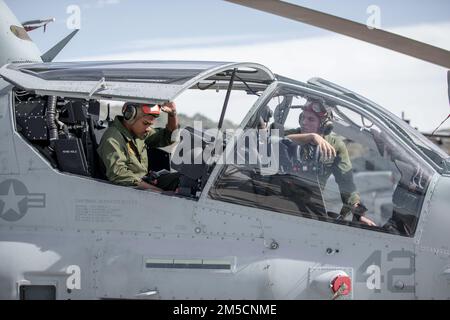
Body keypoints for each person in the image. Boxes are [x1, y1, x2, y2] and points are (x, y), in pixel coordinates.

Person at [284, 99, 376, 226]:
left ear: (324, 125)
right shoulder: (292, 134)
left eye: (311, 119)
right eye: (303, 118)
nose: (304, 122)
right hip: (282, 197)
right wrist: (312, 137)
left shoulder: (335, 145)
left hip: (311, 202)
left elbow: (346, 182)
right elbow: (277, 140)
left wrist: (358, 214)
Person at [97, 101, 180, 192]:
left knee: (182, 180)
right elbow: (119, 175)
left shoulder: (139, 132)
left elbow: (169, 137)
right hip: (125, 189)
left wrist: (173, 114)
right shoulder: (112, 139)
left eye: (150, 125)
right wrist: (159, 192)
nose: (148, 129)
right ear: (130, 116)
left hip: (143, 181)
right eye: (145, 123)